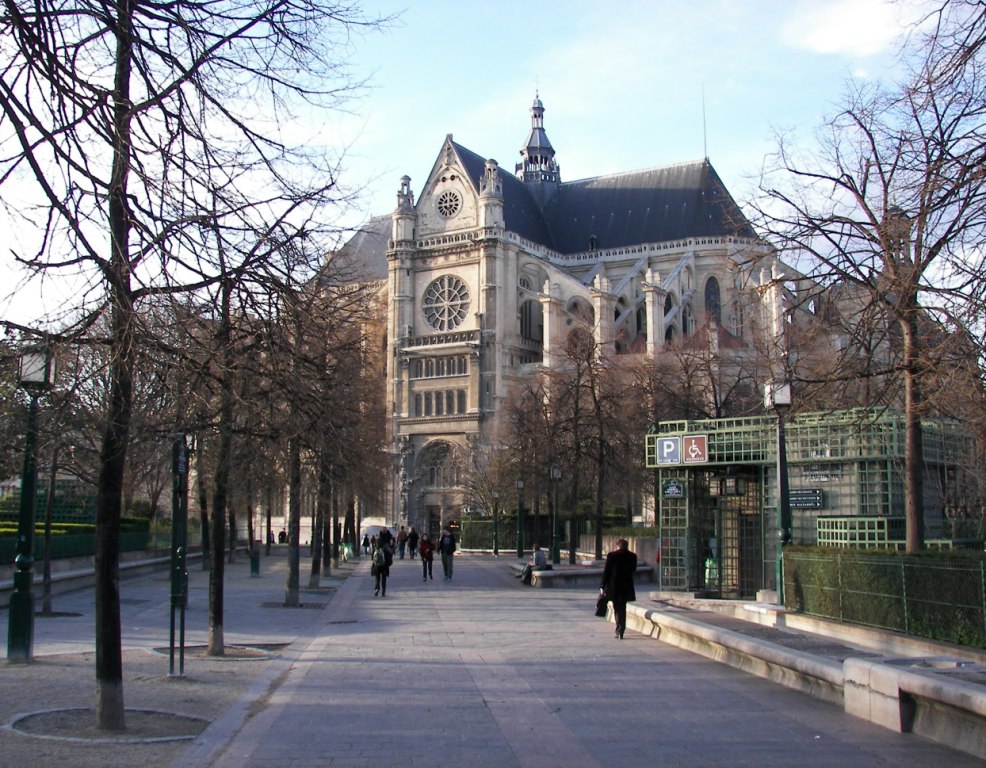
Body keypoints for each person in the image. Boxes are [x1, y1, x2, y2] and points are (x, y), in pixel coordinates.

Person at [601, 538, 637, 639]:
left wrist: (602, 585)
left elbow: (606, 571)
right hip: (626, 585)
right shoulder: (633, 556)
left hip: (614, 585)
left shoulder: (612, 555)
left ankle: (619, 629)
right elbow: (633, 570)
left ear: (618, 546)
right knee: (623, 607)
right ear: (627, 546)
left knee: (617, 607)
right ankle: (621, 629)